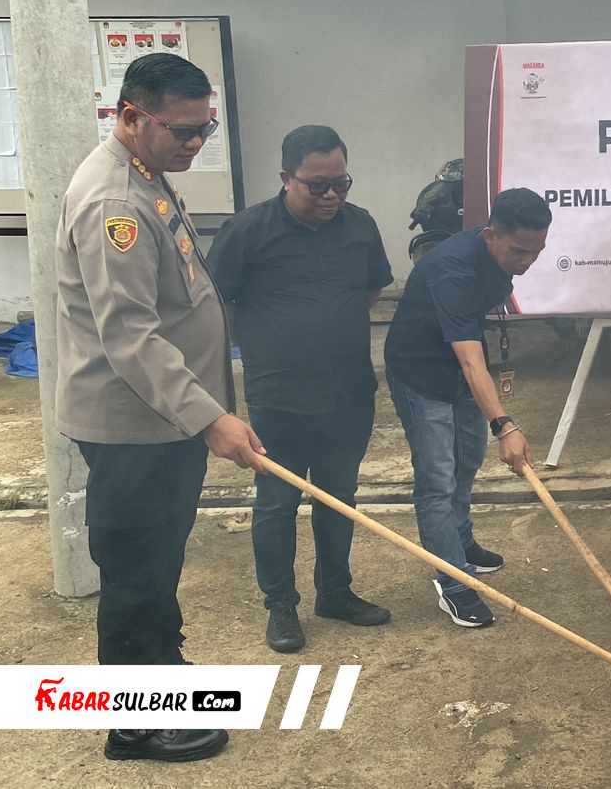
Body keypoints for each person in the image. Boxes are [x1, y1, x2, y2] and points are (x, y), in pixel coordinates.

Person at [56, 52, 261, 762]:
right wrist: (210, 416)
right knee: (137, 573)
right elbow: (129, 336)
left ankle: (160, 673)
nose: (195, 144)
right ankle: (136, 725)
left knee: (156, 562)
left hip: (163, 418)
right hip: (134, 424)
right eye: (182, 130)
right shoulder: (115, 202)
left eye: (205, 129)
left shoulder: (147, 173)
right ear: (131, 116)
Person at [209, 125, 394, 653]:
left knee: (339, 497)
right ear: (286, 178)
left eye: (341, 183)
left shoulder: (360, 226)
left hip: (348, 390)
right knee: (278, 502)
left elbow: (371, 288)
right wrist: (267, 343)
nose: (331, 195)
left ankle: (335, 593)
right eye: (317, 185)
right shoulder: (248, 231)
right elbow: (219, 303)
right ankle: (281, 606)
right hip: (280, 395)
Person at [384, 187, 551, 627]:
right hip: (421, 373)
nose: (528, 262)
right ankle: (454, 580)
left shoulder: (499, 255)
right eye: (519, 252)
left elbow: (471, 354)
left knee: (467, 462)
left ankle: (460, 541)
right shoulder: (453, 268)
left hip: (460, 370)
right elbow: (470, 359)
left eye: (537, 251)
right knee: (437, 479)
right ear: (491, 234)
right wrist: (505, 426)